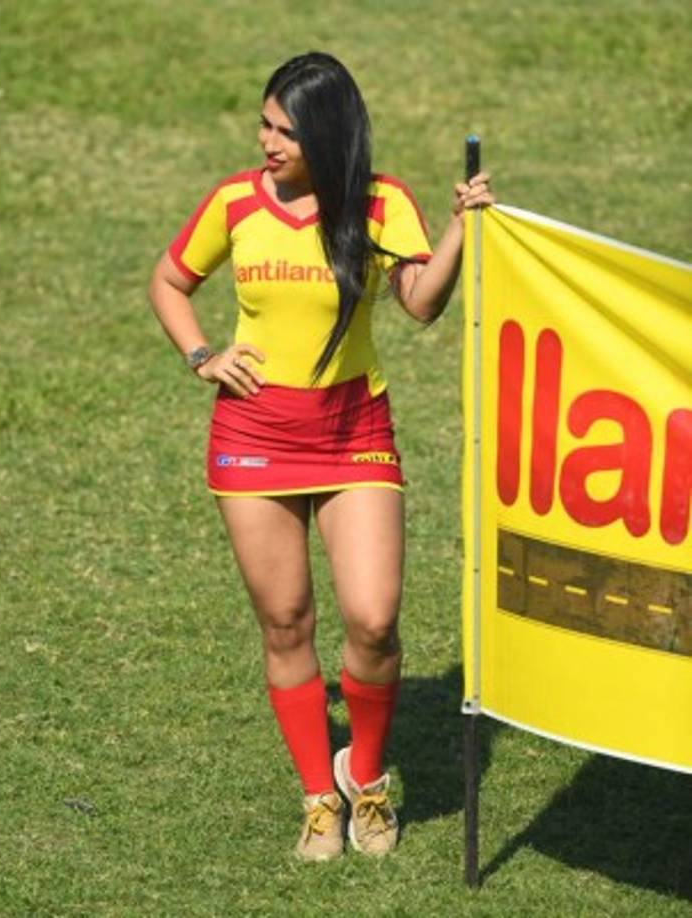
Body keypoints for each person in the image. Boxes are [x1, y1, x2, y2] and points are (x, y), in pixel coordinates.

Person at [149, 51, 493, 861]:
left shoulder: (380, 203)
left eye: (287, 132)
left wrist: (459, 229)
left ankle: (363, 776)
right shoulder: (235, 202)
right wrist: (201, 356)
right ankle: (317, 798)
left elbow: (420, 304)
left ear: (328, 135)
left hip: (353, 435)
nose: (267, 143)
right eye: (264, 125)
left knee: (373, 620)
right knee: (285, 622)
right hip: (252, 438)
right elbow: (169, 281)